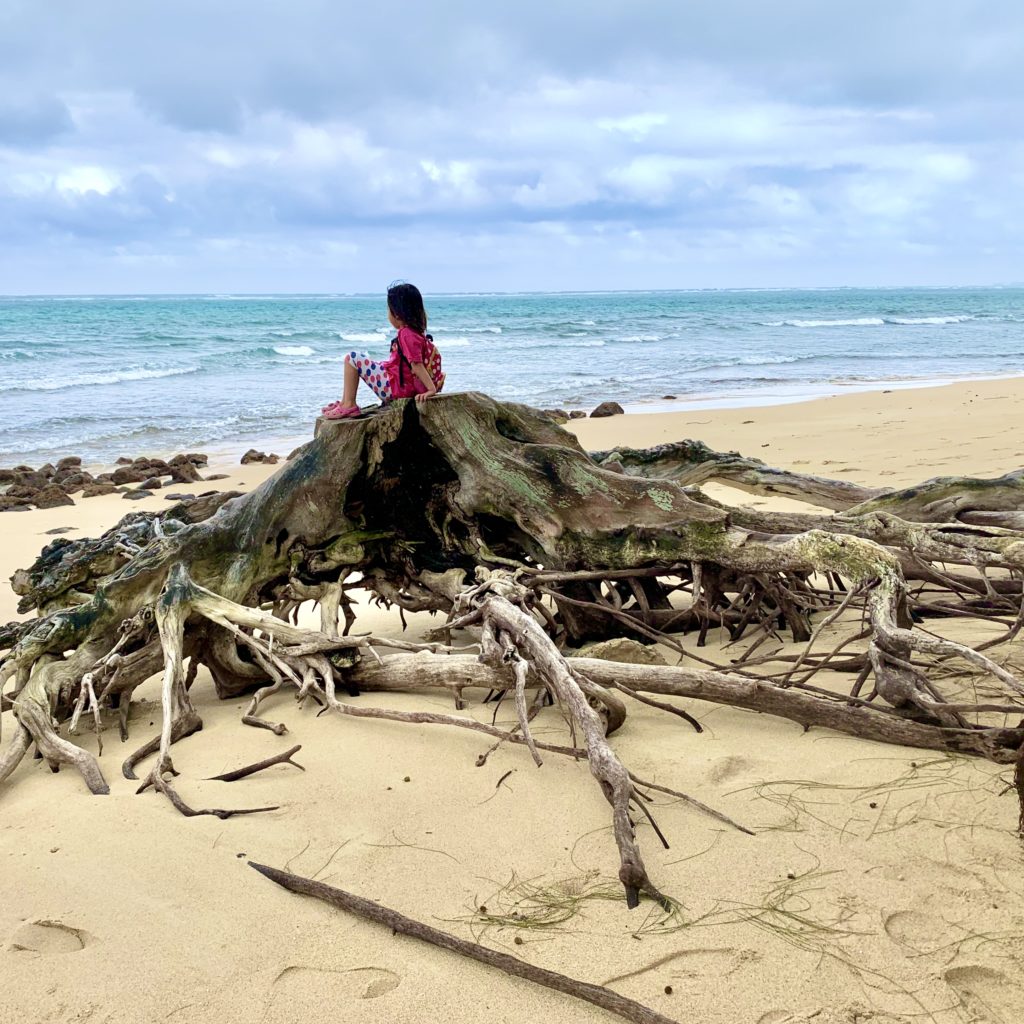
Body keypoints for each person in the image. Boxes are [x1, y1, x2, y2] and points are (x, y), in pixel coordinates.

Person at [322, 282, 438, 418]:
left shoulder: (406, 333)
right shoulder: (415, 332)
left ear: (397, 315)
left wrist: (431, 389)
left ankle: (349, 404)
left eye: (388, 310)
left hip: (396, 389)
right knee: (374, 363)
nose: (388, 314)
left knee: (352, 358)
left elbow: (416, 364)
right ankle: (345, 402)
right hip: (401, 385)